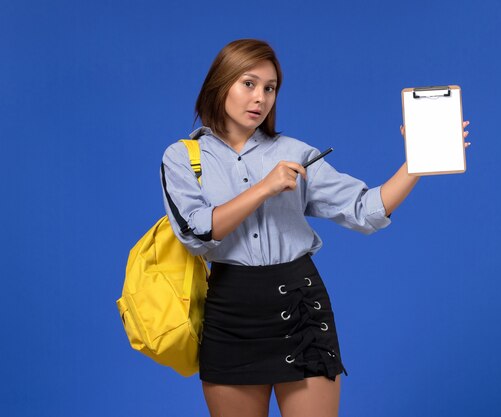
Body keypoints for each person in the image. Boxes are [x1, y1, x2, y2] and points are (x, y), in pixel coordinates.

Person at [161, 39, 470, 417]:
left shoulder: (294, 152)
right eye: (249, 83)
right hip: (231, 315)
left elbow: (365, 210)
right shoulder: (182, 157)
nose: (260, 97)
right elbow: (196, 233)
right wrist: (265, 187)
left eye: (270, 88)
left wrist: (417, 162)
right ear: (220, 83)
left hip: (301, 305)